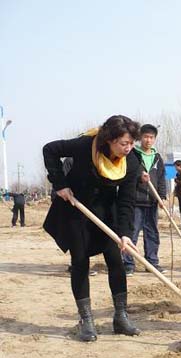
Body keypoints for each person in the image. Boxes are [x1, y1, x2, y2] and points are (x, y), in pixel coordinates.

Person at [43, 115, 141, 342]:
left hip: (106, 213)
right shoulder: (86, 145)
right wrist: (60, 184)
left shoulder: (131, 161)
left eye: (131, 143)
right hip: (76, 209)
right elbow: (50, 149)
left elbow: (126, 200)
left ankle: (121, 317)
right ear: (110, 140)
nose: (128, 148)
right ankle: (86, 320)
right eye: (124, 143)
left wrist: (125, 233)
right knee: (80, 262)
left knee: (116, 261)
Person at [122, 124, 167, 276]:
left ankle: (152, 263)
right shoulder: (132, 155)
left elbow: (161, 179)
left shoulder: (157, 158)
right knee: (132, 233)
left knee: (152, 233)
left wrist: (162, 197)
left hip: (152, 202)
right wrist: (138, 177)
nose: (148, 140)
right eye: (145, 137)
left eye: (151, 137)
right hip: (136, 201)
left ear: (154, 139)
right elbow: (125, 174)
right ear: (140, 138)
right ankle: (128, 264)